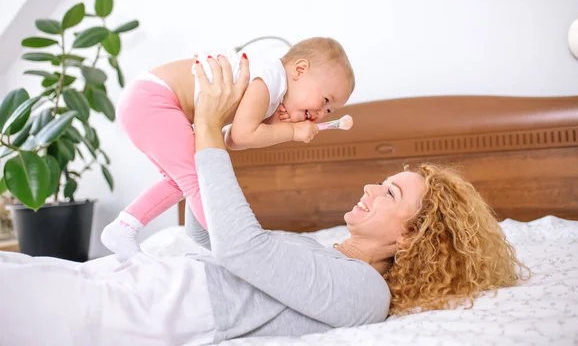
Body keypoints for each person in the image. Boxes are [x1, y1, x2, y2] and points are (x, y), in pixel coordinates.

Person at [0, 55, 528, 346]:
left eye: (389, 191)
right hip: (132, 283)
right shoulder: (324, 254)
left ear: (412, 237)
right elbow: (210, 239)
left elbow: (238, 251)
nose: (369, 188)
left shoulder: (366, 293)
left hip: (146, 310)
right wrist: (221, 142)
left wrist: (207, 127)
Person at [101, 37, 356, 261]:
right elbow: (243, 134)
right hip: (154, 99)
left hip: (144, 99)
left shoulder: (272, 91)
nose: (322, 113)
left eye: (330, 111)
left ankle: (124, 227)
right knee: (200, 179)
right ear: (300, 69)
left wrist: (277, 124)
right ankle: (236, 250)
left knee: (180, 180)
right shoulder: (269, 77)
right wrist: (292, 132)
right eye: (325, 101)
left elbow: (232, 140)